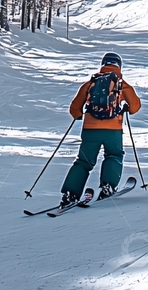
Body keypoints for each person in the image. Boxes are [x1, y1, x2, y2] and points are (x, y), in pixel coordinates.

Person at [59, 52, 141, 206]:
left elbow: (74, 109)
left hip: (90, 129)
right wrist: (125, 109)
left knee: (83, 161)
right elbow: (135, 107)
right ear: (119, 66)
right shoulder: (122, 84)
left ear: (103, 64)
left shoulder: (91, 83)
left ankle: (70, 193)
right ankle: (107, 186)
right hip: (113, 130)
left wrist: (80, 115)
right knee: (114, 155)